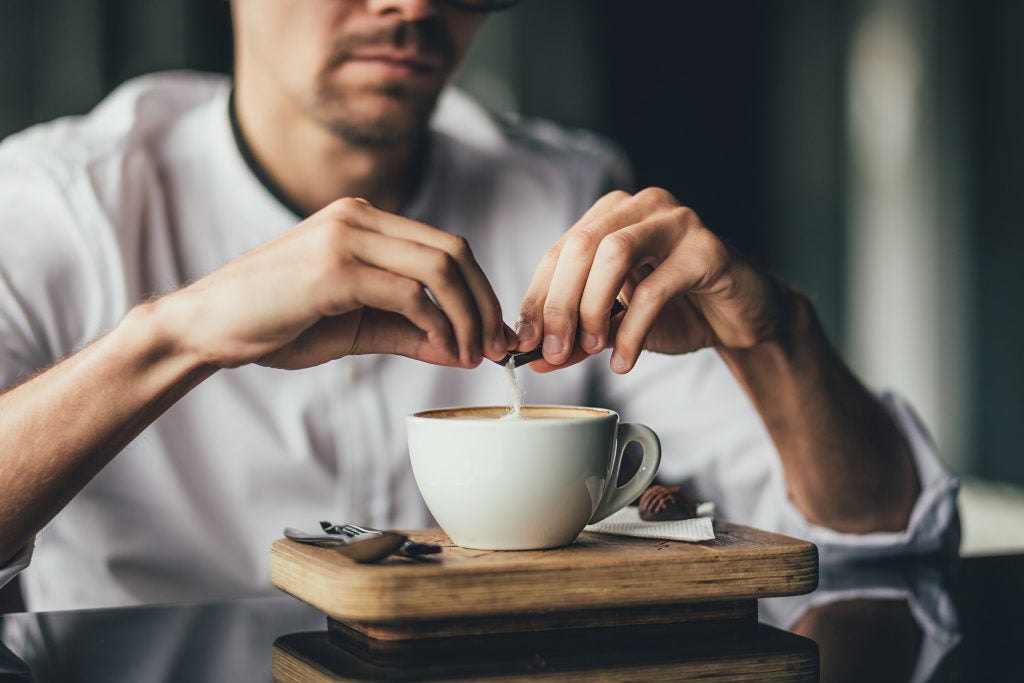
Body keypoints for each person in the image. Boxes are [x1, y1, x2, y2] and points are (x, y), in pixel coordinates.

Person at [0, 0, 957, 612]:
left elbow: (877, 534)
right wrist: (176, 336)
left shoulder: (569, 199)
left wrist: (776, 334)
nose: (411, 9)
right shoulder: (58, 202)